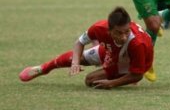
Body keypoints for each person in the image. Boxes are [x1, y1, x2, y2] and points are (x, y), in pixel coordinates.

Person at [19, 7, 153, 89]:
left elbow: (138, 75)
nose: (124, 36)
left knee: (90, 80)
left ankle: (121, 76)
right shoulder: (99, 28)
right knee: (78, 57)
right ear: (109, 29)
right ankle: (43, 68)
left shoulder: (137, 44)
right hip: (110, 50)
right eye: (119, 32)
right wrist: (75, 63)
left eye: (127, 31)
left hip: (129, 60)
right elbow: (79, 42)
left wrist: (112, 83)